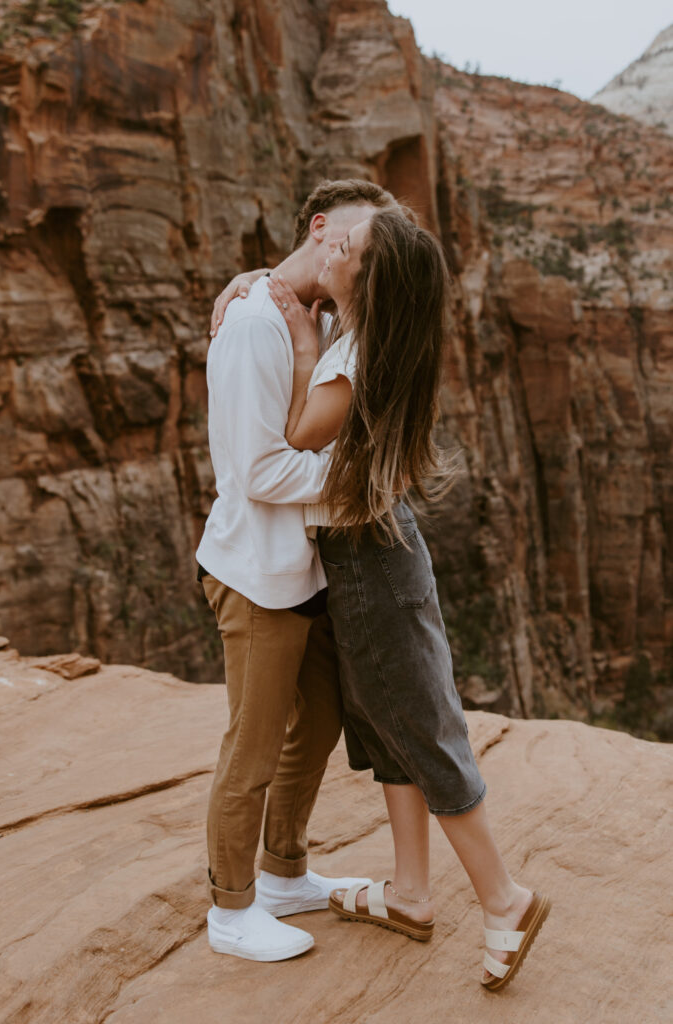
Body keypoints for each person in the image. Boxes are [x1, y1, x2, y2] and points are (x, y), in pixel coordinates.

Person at [262, 207, 551, 991]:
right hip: (373, 554)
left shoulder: (353, 355)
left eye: (343, 245)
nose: (326, 242)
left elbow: (296, 432)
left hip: (372, 569)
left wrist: (298, 341)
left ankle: (504, 899)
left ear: (364, 281)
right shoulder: (370, 337)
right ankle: (411, 894)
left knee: (420, 731)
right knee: (386, 727)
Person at [196, 179, 399, 963]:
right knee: (251, 749)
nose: (370, 274)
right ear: (325, 233)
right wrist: (365, 477)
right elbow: (256, 472)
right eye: (366, 255)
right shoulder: (253, 324)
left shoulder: (309, 313)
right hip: (255, 574)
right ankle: (230, 909)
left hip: (303, 570)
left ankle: (283, 873)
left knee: (314, 724)